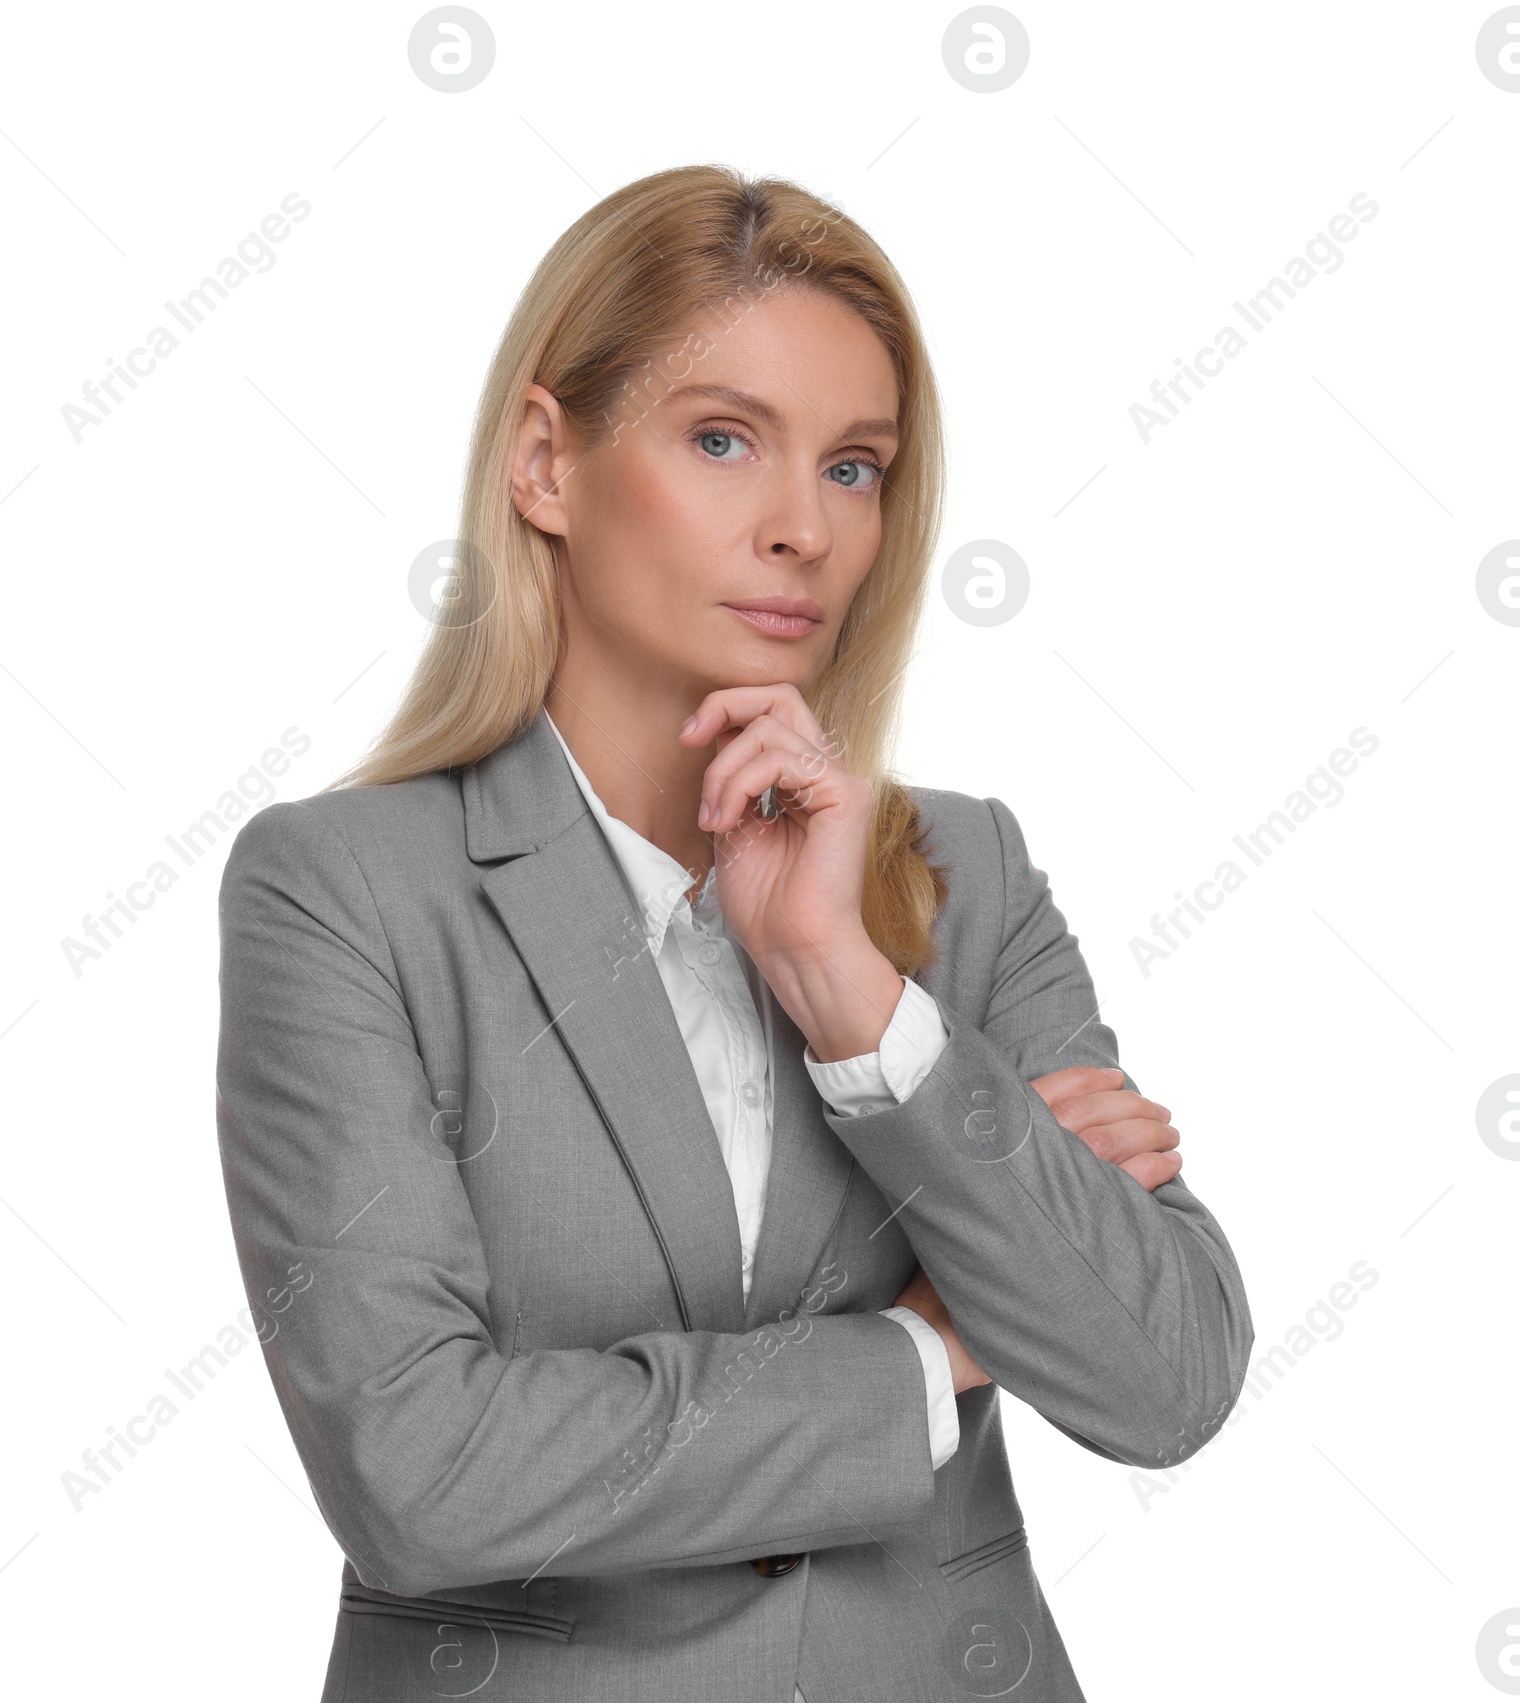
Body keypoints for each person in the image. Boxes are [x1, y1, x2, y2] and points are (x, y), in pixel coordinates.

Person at [215, 163, 1255, 1702]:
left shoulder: (962, 871)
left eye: (855, 467)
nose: (803, 530)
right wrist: (927, 1355)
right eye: (722, 442)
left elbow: (1162, 1378)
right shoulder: (344, 889)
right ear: (545, 462)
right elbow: (421, 1473)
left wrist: (856, 999)